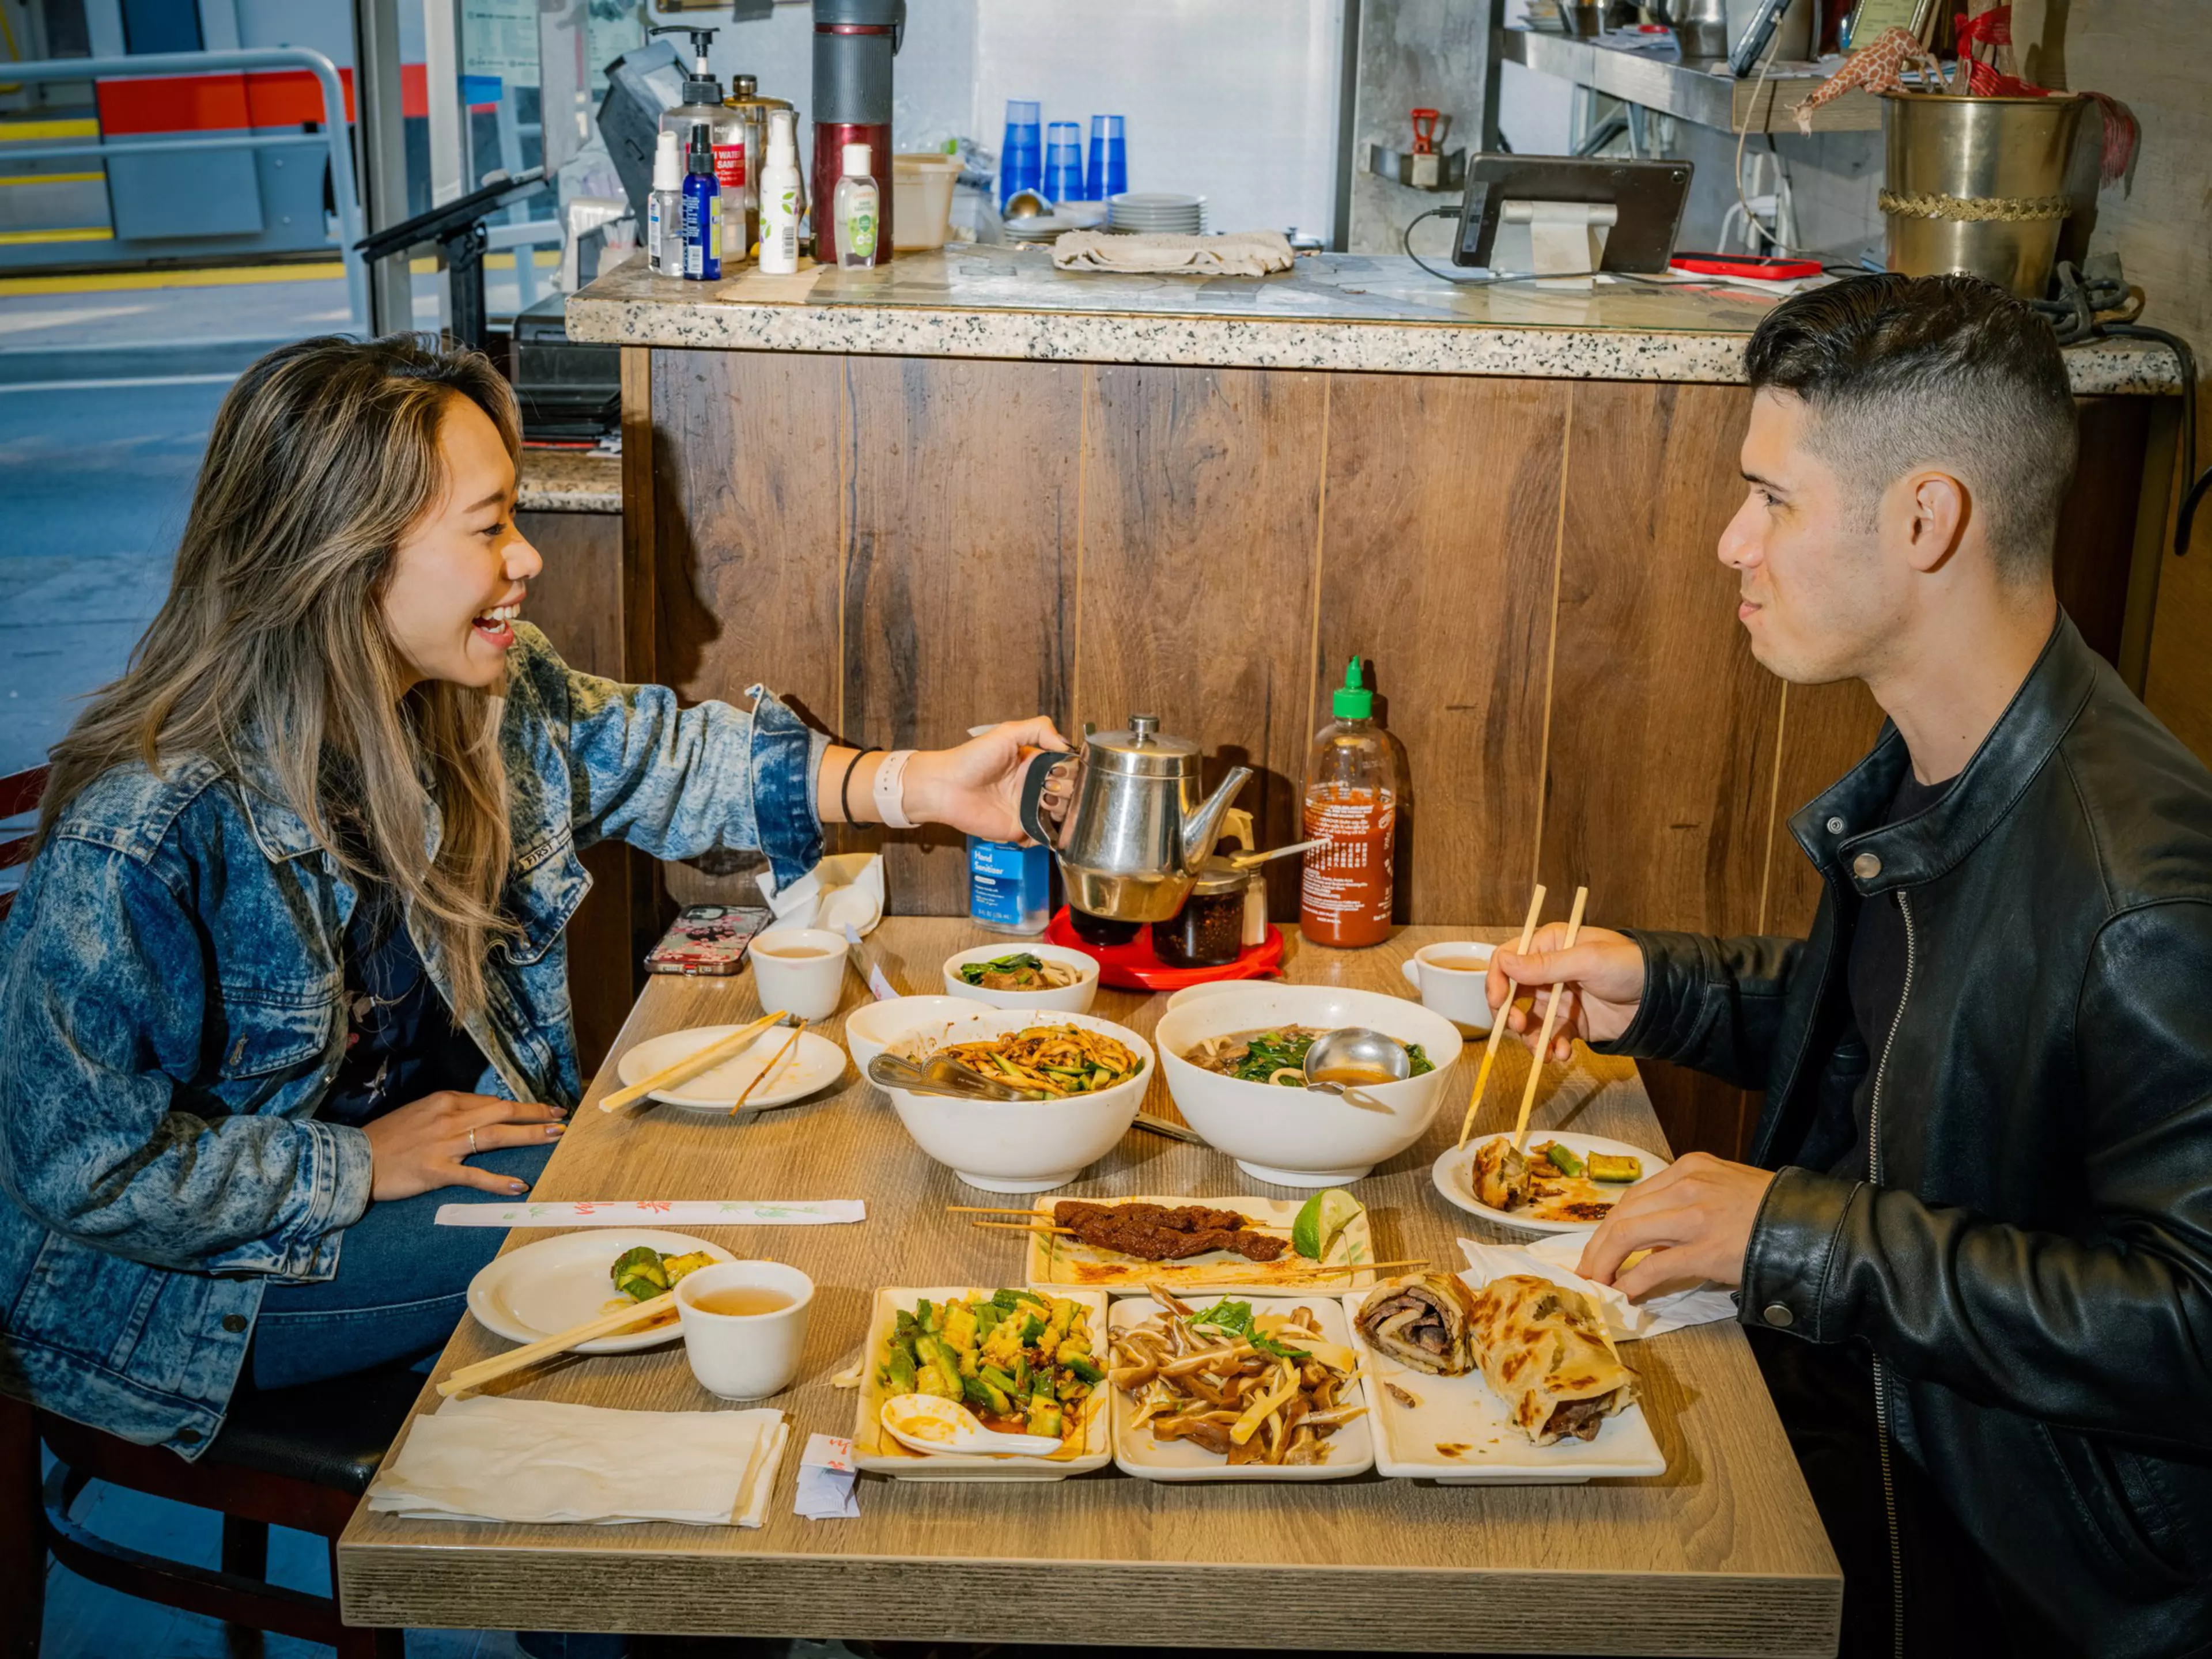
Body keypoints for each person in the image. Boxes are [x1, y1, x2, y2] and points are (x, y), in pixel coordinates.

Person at [0, 335, 1069, 1457]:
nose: (527, 559)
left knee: (685, 1220)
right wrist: (354, 1163)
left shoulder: (466, 698)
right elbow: (82, 1166)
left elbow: (662, 758)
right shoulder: (150, 827)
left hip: (418, 1171)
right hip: (193, 1288)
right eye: (488, 527)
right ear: (345, 556)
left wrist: (923, 786)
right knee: (666, 1248)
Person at [1487, 275, 2212, 1658]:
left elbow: (2191, 1321)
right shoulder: (1942, 771)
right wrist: (1670, 988)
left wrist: (1793, 1237)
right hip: (1871, 1445)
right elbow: (1942, 1054)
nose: (1728, 542)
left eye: (1773, 499)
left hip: (2013, 1578)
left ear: (1925, 518)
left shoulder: (2143, 892)